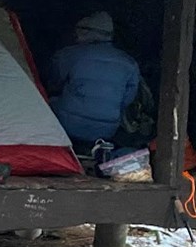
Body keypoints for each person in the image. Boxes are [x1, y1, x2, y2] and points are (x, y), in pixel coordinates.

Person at [47, 12, 140, 153]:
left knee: (48, 102)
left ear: (87, 32)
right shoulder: (129, 63)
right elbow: (126, 100)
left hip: (68, 124)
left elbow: (54, 84)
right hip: (108, 129)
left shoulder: (67, 55)